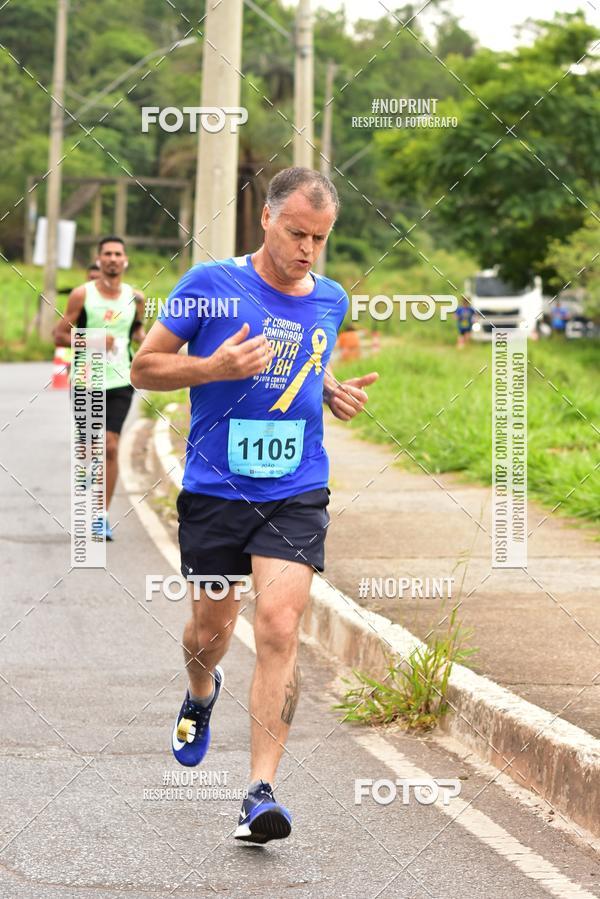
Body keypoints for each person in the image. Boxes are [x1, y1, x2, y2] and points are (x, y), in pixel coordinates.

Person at [131, 167, 378, 844]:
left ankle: (259, 792)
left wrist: (330, 390)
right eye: (296, 232)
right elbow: (144, 367)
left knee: (278, 625)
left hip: (295, 488)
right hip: (216, 489)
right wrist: (213, 368)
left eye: (319, 238)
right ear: (266, 218)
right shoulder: (209, 285)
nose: (306, 249)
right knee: (210, 631)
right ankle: (200, 692)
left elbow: (307, 355)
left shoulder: (330, 297)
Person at [53, 236, 146, 539]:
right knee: (91, 447)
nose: (113, 259)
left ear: (125, 260)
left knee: (110, 445)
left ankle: (101, 516)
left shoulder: (136, 298)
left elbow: (137, 332)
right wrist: (92, 339)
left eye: (118, 254)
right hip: (86, 380)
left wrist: (149, 344)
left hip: (120, 380)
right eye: (107, 254)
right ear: (99, 259)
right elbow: (58, 335)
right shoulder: (82, 295)